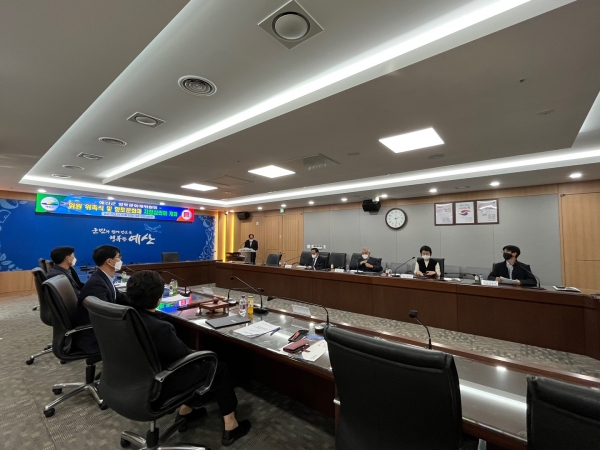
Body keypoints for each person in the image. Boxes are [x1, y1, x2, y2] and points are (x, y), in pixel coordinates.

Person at [126, 270, 251, 446]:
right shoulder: (160, 328)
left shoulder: (127, 317)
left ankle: (185, 411)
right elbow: (185, 356)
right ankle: (231, 425)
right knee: (218, 365)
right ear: (159, 297)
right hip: (161, 384)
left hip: (133, 380)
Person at [74, 245, 129, 353]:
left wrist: (143, 301)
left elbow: (120, 297)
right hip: (96, 337)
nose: (121, 260)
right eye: (119, 257)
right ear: (109, 261)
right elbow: (106, 315)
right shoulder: (97, 284)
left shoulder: (103, 278)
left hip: (102, 329)